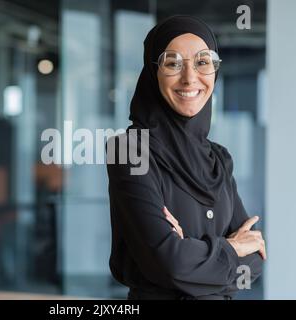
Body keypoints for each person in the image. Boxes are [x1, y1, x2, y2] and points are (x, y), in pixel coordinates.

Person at [106, 15, 266, 300]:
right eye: (172, 63)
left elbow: (253, 263)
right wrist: (231, 248)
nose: (190, 77)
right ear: (153, 72)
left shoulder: (218, 158)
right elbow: (170, 264)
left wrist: (191, 251)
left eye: (203, 62)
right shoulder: (129, 150)